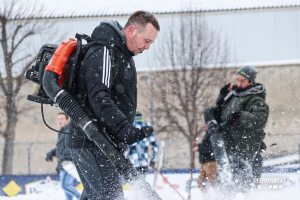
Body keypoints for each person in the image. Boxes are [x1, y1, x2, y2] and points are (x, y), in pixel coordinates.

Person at [66, 11, 160, 200]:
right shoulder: (104, 51)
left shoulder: (121, 54)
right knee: (110, 197)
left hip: (104, 142)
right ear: (132, 30)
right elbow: (99, 97)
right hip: (92, 141)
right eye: (147, 41)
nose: (148, 47)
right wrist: (123, 128)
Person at [214, 65, 269, 194]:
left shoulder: (255, 98)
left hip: (244, 151)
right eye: (237, 79)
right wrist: (221, 97)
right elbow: (220, 114)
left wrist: (240, 116)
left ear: (251, 81)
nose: (238, 83)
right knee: (225, 190)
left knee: (242, 190)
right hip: (228, 149)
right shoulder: (233, 96)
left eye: (242, 80)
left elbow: (259, 119)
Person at [46, 112, 80, 200]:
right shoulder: (62, 132)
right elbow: (59, 148)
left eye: (62, 118)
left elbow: (71, 147)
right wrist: (50, 154)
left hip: (68, 163)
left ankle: (81, 198)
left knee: (65, 185)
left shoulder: (69, 131)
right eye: (58, 119)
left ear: (67, 120)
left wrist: (64, 158)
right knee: (66, 188)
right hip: (63, 162)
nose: (59, 121)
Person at [126, 111, 159, 178]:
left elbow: (125, 147)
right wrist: (153, 160)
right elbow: (155, 146)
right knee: (141, 185)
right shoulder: (147, 129)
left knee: (130, 186)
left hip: (131, 163)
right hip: (144, 163)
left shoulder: (128, 129)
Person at [193, 109, 217, 192]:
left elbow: (211, 148)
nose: (204, 125)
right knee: (200, 182)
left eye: (206, 124)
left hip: (211, 162)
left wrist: (199, 148)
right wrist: (198, 145)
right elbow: (205, 146)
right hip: (204, 162)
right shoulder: (207, 134)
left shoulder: (212, 134)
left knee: (214, 183)